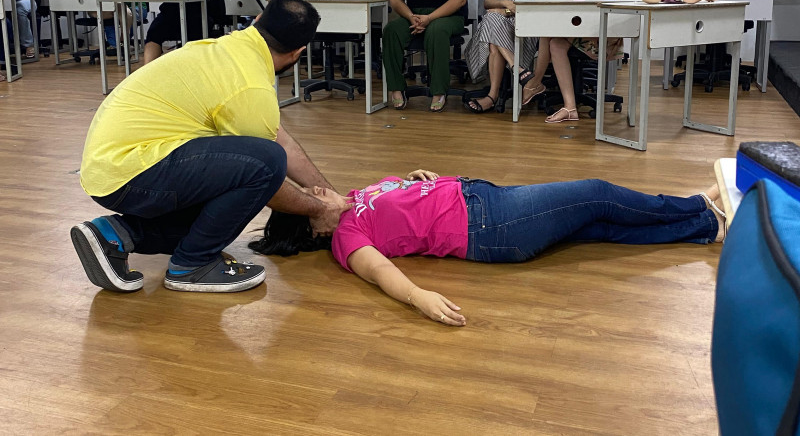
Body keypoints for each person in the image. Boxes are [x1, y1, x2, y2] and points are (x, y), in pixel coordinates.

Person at [71, 0, 351, 295]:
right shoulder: (251, 84)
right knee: (264, 164)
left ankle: (113, 235)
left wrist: (330, 195)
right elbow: (269, 175)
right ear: (299, 52)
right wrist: (318, 210)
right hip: (130, 170)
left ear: (256, 21)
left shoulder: (231, 50)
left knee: (224, 207)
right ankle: (193, 265)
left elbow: (280, 139)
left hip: (109, 166)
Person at [252, 170, 727, 326]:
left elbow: (399, 194)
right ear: (312, 228)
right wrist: (421, 299)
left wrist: (415, 178)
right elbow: (380, 273)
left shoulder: (355, 199)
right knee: (596, 193)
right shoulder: (346, 240)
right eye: (309, 199)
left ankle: (705, 228)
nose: (316, 190)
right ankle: (695, 204)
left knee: (597, 224)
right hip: (492, 225)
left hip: (483, 199)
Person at [542, 0, 646, 123]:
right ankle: (570, 107)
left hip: (610, 27)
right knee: (554, 42)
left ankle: (536, 84)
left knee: (553, 40)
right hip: (588, 25)